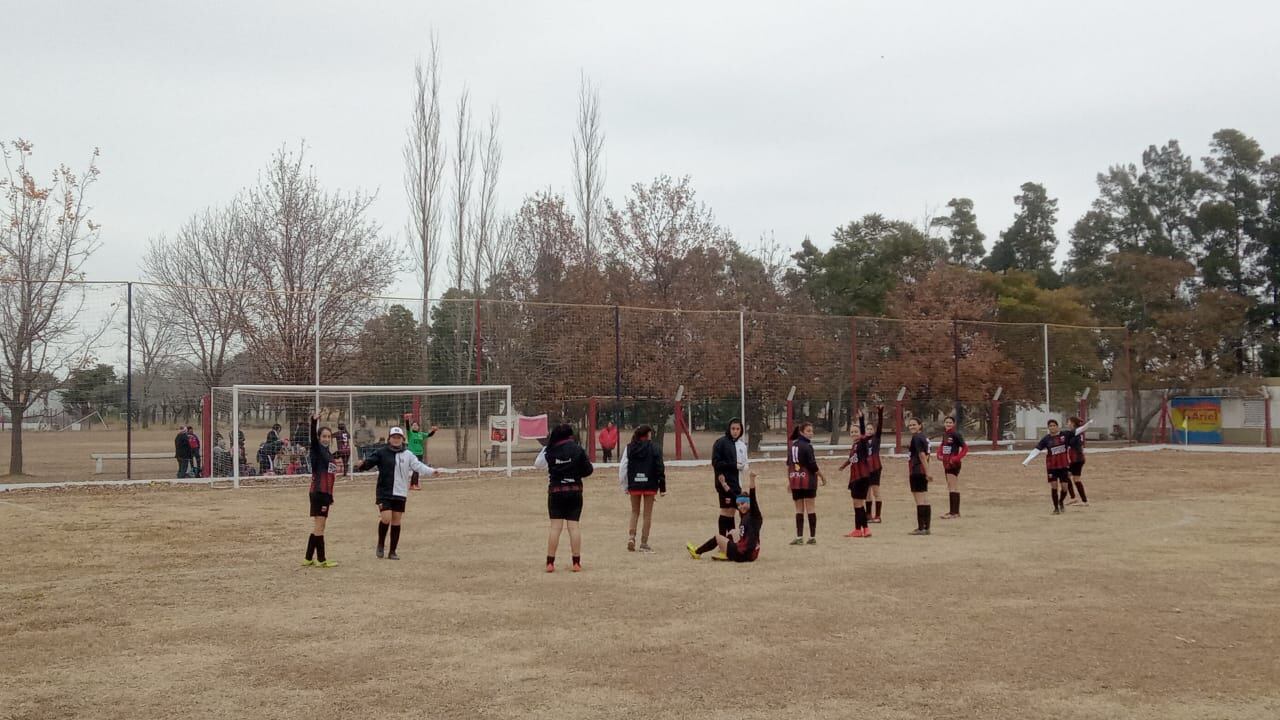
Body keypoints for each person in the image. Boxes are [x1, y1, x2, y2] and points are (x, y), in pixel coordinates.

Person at [354, 426, 439, 560]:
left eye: (398, 438)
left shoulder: (408, 454)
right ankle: (381, 544)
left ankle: (392, 551)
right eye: (393, 437)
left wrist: (431, 471)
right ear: (389, 438)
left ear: (402, 440)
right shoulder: (381, 452)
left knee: (396, 521)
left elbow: (418, 466)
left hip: (400, 492)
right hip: (384, 491)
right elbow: (369, 462)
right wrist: (361, 465)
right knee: (386, 518)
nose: (396, 440)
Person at [535, 423, 594, 573]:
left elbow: (538, 464)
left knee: (555, 527)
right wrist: (575, 473)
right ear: (570, 435)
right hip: (574, 491)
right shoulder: (577, 449)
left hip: (555, 491)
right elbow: (588, 470)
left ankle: (550, 562)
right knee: (573, 527)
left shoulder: (550, 450)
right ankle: (576, 562)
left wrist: (547, 447)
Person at [697, 419, 747, 559]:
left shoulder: (742, 445)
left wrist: (742, 468)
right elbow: (716, 462)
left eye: (738, 429)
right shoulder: (721, 443)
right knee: (726, 511)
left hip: (737, 484)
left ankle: (729, 544)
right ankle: (722, 544)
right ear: (728, 429)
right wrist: (732, 466)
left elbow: (743, 465)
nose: (735, 431)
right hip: (725, 484)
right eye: (733, 428)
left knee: (732, 512)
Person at [688, 474, 762, 563]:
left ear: (749, 503)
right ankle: (725, 552)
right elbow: (733, 495)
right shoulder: (744, 514)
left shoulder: (754, 514)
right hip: (751, 554)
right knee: (733, 532)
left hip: (742, 554)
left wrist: (752, 479)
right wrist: (724, 484)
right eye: (738, 505)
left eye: (743, 503)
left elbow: (753, 496)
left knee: (718, 537)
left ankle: (697, 552)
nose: (740, 507)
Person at [1023, 418, 1091, 514]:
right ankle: (1056, 508)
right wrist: (1027, 460)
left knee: (1064, 488)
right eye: (1050, 426)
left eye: (1054, 425)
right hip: (1051, 467)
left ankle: (1061, 501)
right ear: (1048, 428)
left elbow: (1079, 430)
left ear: (1057, 427)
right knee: (1054, 487)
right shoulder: (1046, 439)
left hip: (1063, 465)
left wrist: (1088, 424)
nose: (1052, 427)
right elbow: (1036, 450)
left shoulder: (1065, 435)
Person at [618, 425, 666, 553]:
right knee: (647, 514)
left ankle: (631, 537)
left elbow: (623, 467)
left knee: (635, 511)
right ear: (648, 434)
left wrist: (625, 485)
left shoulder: (629, 448)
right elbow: (660, 467)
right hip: (650, 484)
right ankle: (644, 542)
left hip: (634, 484)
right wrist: (662, 486)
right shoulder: (655, 448)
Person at [839, 405, 883, 538]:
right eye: (851, 432)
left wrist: (862, 419)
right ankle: (861, 529)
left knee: (858, 504)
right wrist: (844, 465)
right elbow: (853, 459)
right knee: (857, 504)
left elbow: (864, 433)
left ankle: (862, 529)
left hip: (861, 477)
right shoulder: (855, 445)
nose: (854, 434)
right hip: (856, 477)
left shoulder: (863, 443)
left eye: (856, 432)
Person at [303, 414, 340, 568]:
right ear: (319, 438)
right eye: (323, 436)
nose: (326, 439)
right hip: (318, 492)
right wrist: (313, 422)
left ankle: (308, 558)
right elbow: (312, 438)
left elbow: (330, 476)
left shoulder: (329, 454)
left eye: (328, 436)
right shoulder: (317, 450)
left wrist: (330, 496)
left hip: (325, 493)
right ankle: (321, 559)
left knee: (318, 526)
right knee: (320, 526)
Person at [787, 421, 826, 545]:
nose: (811, 433)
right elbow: (812, 465)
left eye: (812, 431)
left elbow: (789, 465)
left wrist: (789, 481)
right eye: (808, 431)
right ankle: (812, 537)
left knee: (799, 509)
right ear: (801, 432)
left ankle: (799, 537)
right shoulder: (807, 446)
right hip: (808, 480)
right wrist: (822, 476)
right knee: (810, 508)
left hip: (795, 480)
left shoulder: (792, 446)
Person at [937, 416, 968, 519]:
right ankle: (953, 511)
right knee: (950, 486)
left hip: (953, 464)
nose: (948, 424)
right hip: (945, 463)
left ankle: (954, 512)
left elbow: (965, 448)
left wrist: (956, 458)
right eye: (946, 422)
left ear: (953, 424)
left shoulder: (956, 434)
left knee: (953, 486)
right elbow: (942, 446)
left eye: (950, 422)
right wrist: (939, 455)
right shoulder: (945, 434)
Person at [906, 417, 932, 535]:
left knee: (919, 499)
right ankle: (926, 527)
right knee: (925, 498)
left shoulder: (917, 437)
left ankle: (921, 527)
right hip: (921, 470)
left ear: (920, 425)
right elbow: (927, 455)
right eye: (910, 425)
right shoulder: (924, 438)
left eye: (914, 425)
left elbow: (922, 455)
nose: (911, 427)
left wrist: (927, 471)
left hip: (916, 470)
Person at [405, 419, 438, 490]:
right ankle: (415, 485)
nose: (415, 426)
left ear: (418, 427)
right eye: (413, 425)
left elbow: (429, 435)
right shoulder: (410, 433)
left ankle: (412, 485)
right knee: (416, 469)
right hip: (412, 454)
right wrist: (407, 420)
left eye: (416, 425)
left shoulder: (421, 434)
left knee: (416, 470)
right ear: (411, 427)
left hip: (420, 453)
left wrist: (434, 431)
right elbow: (407, 427)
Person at [1066, 416, 1091, 506]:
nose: (1067, 424)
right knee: (1075, 478)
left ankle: (1076, 499)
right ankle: (1083, 500)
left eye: (1068, 422)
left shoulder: (1075, 432)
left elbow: (1071, 444)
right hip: (1077, 459)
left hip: (1076, 459)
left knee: (1067, 477)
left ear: (1072, 423)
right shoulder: (1075, 432)